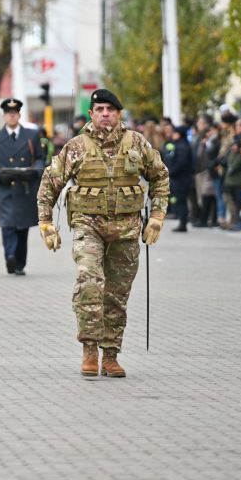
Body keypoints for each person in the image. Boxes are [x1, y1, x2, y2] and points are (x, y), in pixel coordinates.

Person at [36, 89, 170, 377]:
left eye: (110, 108)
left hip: (127, 229)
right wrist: (46, 222)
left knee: (116, 295)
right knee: (89, 282)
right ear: (91, 114)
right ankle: (89, 349)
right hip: (88, 225)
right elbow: (50, 183)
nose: (105, 114)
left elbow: (160, 177)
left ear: (119, 113)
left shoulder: (136, 143)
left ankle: (110, 355)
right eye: (100, 109)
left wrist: (157, 216)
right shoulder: (76, 146)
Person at [0, 98, 45, 275]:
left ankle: (20, 263)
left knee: (22, 227)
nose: (12, 117)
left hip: (25, 186)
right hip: (5, 186)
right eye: (8, 114)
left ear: (19, 115)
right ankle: (10, 256)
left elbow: (41, 158)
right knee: (8, 224)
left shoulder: (31, 135)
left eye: (15, 114)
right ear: (4, 116)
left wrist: (34, 171)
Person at [163, 124, 193, 232]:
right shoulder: (179, 144)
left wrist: (170, 172)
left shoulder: (182, 146)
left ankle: (183, 223)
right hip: (179, 178)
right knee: (180, 201)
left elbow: (181, 163)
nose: (173, 135)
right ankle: (182, 222)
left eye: (175, 133)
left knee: (181, 201)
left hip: (182, 179)